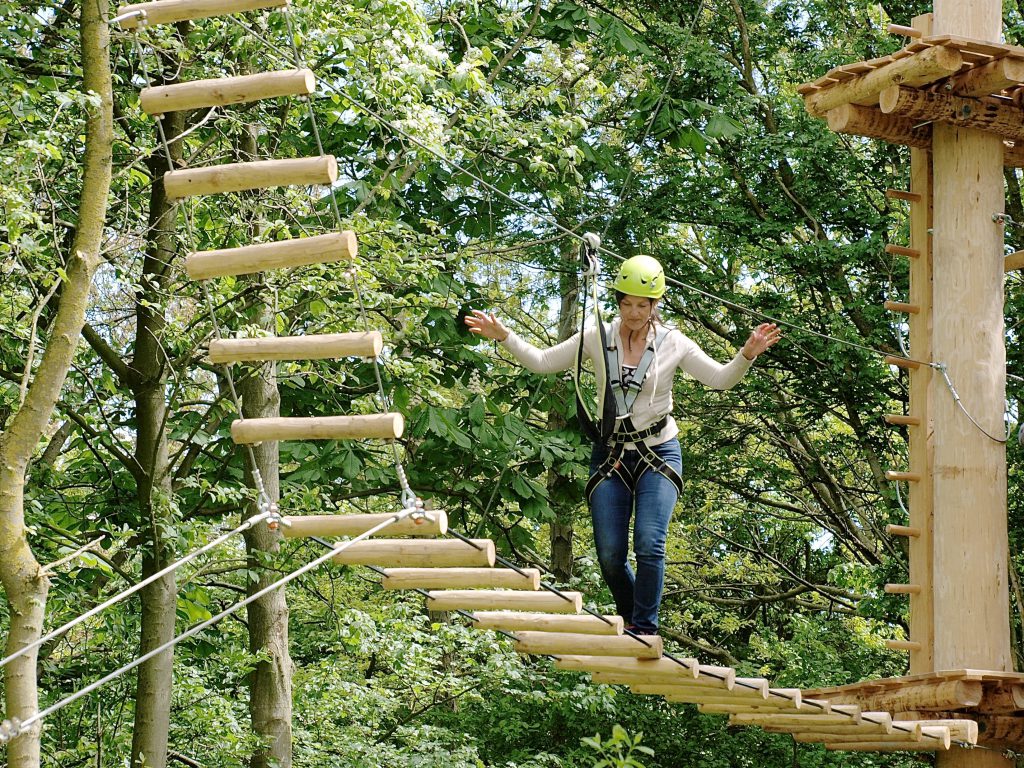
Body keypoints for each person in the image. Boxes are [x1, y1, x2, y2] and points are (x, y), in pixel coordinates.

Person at [465, 254, 781, 635]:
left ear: (655, 306)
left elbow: (719, 379)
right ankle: (633, 616)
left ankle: (645, 628)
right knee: (611, 556)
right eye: (626, 303)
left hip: (658, 452)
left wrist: (746, 354)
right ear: (618, 302)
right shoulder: (597, 336)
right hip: (611, 453)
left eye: (642, 305)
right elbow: (543, 361)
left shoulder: (674, 343)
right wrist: (505, 336)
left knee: (649, 545)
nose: (633, 312)